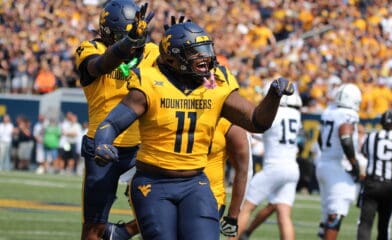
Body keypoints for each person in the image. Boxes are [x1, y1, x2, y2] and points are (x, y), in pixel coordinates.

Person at [93, 20, 294, 240]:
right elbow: (111, 123)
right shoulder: (150, 82)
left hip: (195, 183)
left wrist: (274, 96)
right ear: (173, 57)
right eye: (195, 53)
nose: (205, 58)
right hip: (154, 182)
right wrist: (103, 142)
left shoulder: (217, 84)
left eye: (206, 50)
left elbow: (257, 122)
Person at [73, 1, 157, 239]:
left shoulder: (152, 53)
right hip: (101, 146)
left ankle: (122, 232)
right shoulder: (89, 49)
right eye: (127, 35)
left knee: (160, 213)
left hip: (143, 149)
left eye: (137, 34)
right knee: (93, 230)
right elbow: (99, 66)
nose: (135, 40)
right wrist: (127, 44)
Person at [234, 92, 303, 240]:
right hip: (292, 168)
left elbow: (255, 130)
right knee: (284, 215)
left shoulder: (276, 113)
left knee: (246, 207)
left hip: (274, 166)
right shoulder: (296, 116)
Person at [316, 83, 362, 240]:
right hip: (337, 166)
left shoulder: (329, 111)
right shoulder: (348, 114)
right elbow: (346, 137)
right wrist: (355, 164)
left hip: (324, 163)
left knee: (327, 214)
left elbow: (320, 139)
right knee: (335, 214)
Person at [204, 118, 251, 237]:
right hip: (166, 191)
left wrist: (233, 215)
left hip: (210, 197)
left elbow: (243, 169)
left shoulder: (227, 122)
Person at [357, 110, 392, 240]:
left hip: (372, 184)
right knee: (385, 226)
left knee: (364, 223)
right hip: (390, 185)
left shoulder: (371, 137)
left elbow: (364, 153)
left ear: (381, 123)